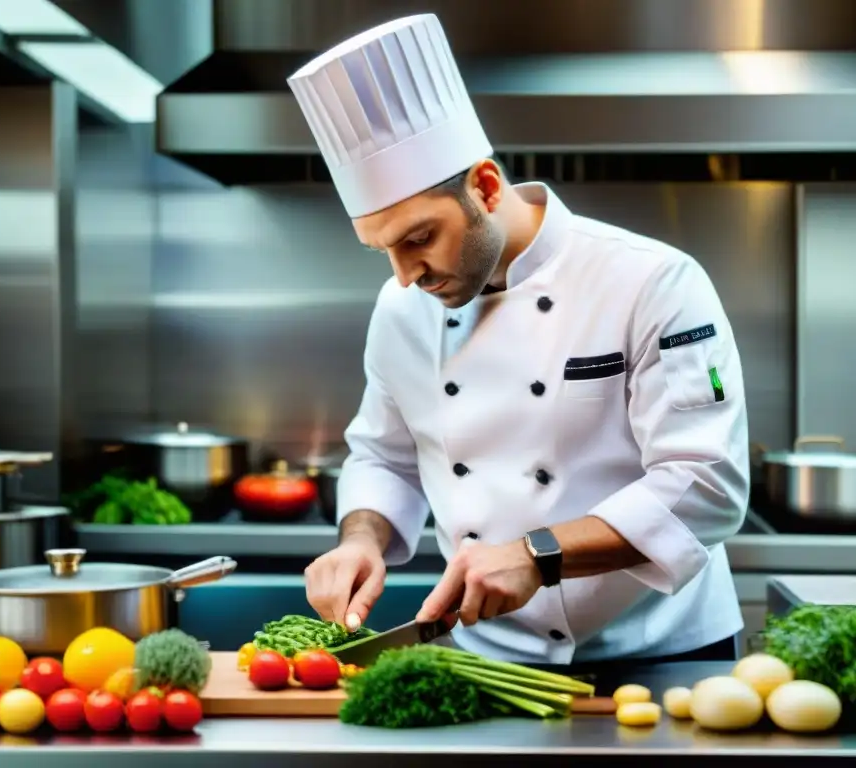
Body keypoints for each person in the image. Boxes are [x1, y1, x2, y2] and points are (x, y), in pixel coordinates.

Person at [287, 14, 750, 664]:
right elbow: (384, 457)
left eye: (419, 238)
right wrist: (361, 538)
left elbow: (707, 485)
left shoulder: (652, 281)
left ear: (484, 185)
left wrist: (539, 554)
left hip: (663, 650)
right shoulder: (400, 309)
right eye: (382, 250)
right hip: (493, 659)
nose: (405, 274)